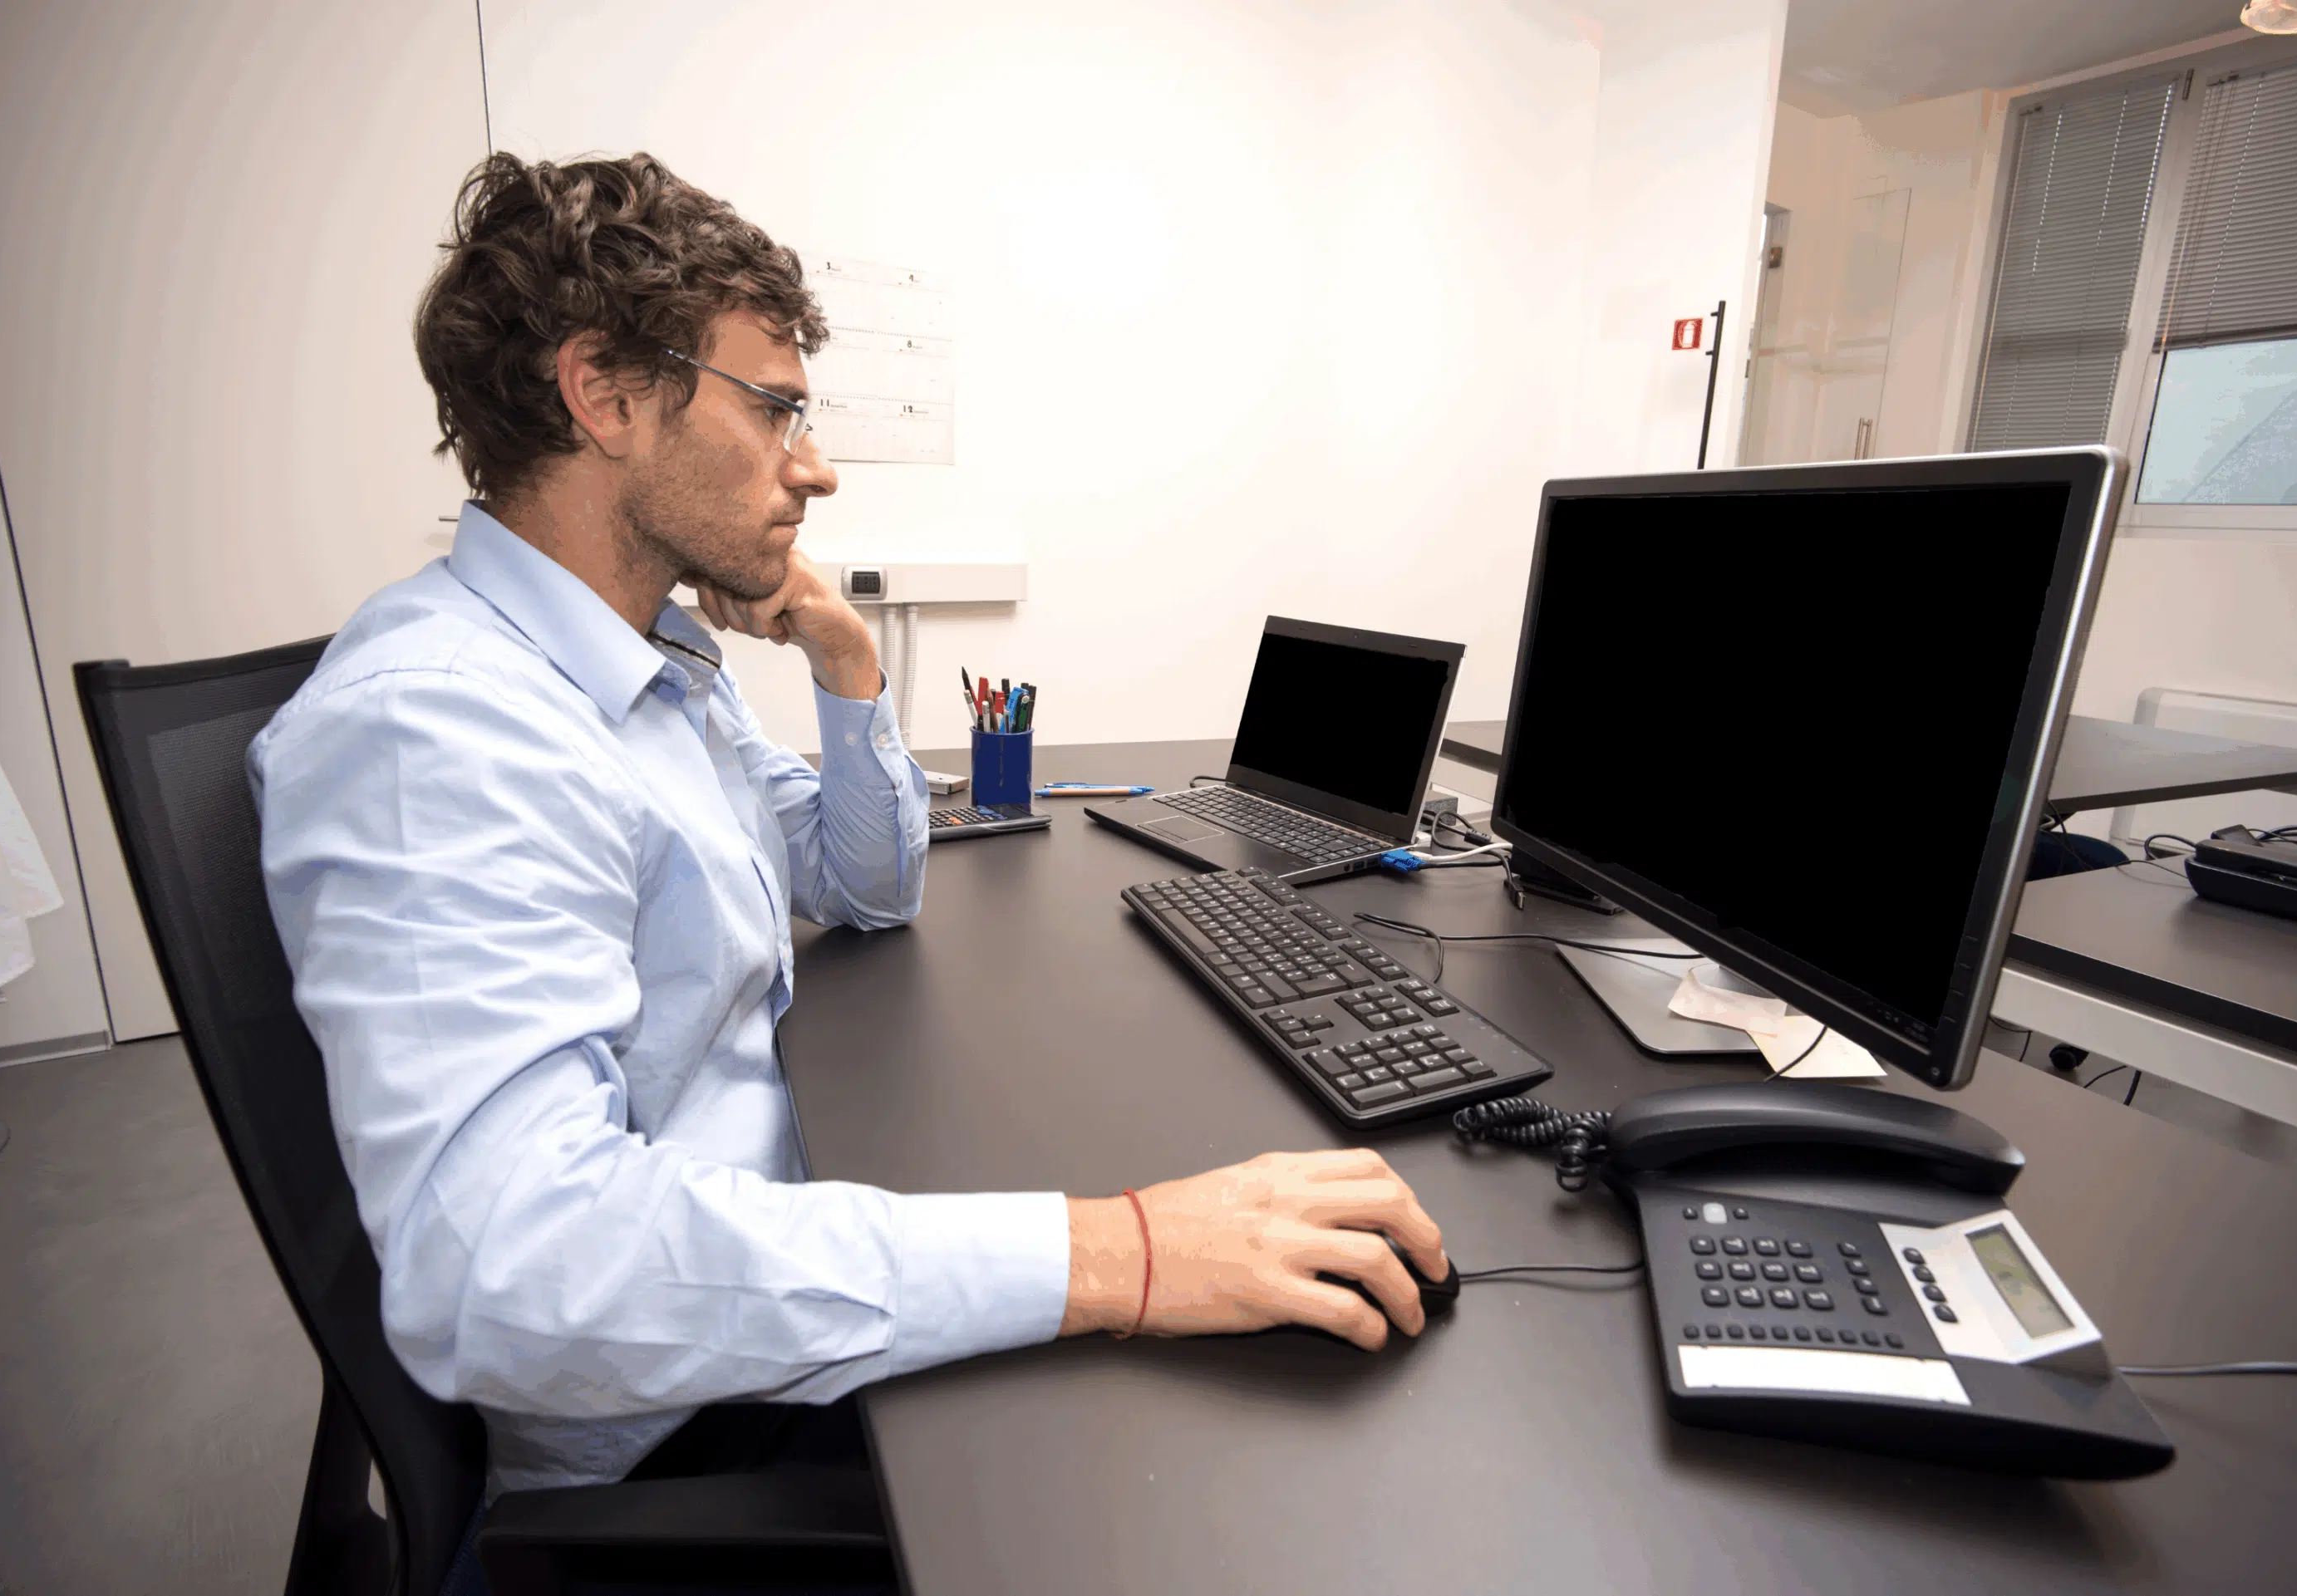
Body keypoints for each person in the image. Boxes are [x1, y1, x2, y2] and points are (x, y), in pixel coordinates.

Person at [248, 151, 1450, 1509]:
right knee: (1250, 1465)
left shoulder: (649, 668)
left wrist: (843, 657)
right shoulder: (442, 731)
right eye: (774, 411)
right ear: (604, 393)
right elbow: (513, 1277)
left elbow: (861, 885)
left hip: (779, 1227)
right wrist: (1122, 1255)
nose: (812, 469)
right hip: (689, 1417)